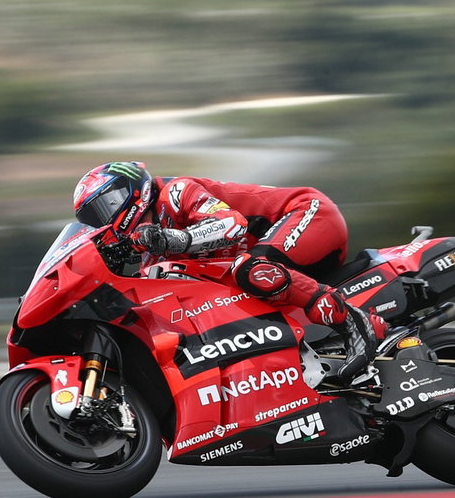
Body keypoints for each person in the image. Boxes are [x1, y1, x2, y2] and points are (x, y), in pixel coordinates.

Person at [71, 160, 385, 388]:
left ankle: (354, 322)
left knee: (250, 269)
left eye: (106, 207)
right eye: (95, 220)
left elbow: (233, 225)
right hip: (275, 260)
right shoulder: (151, 254)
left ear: (130, 191)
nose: (105, 222)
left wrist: (176, 238)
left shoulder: (175, 192)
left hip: (307, 212)